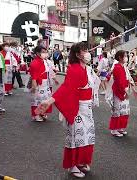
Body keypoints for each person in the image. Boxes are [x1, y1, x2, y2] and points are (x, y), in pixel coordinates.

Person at [35, 42, 100, 178]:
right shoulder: (74, 69)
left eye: (87, 50)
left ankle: (81, 160)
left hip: (87, 108)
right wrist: (49, 101)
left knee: (87, 136)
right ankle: (72, 165)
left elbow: (94, 82)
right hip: (78, 108)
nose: (87, 53)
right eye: (84, 51)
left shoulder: (87, 68)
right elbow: (67, 88)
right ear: (77, 55)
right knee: (76, 136)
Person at [106, 50, 137, 137]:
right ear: (120, 57)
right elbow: (119, 82)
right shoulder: (117, 67)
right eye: (125, 56)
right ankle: (114, 129)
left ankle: (120, 127)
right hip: (119, 91)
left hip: (125, 89)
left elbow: (129, 78)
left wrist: (132, 89)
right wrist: (124, 91)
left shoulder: (124, 67)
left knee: (124, 110)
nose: (127, 57)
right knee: (117, 110)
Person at [28, 46, 52, 122]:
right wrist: (34, 86)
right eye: (43, 52)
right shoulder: (35, 63)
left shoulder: (44, 61)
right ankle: (36, 115)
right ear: (38, 53)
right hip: (39, 84)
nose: (45, 54)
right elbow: (34, 76)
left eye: (45, 52)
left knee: (45, 99)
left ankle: (42, 113)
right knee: (37, 100)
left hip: (45, 83)